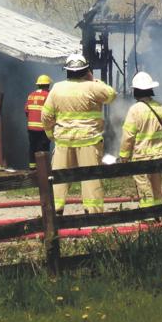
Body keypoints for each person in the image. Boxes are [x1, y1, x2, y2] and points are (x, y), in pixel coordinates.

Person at [41, 52, 116, 215]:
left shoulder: (57, 88)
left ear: (67, 70)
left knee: (59, 178)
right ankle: (93, 213)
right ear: (86, 70)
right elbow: (111, 95)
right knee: (91, 179)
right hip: (89, 141)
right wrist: (94, 79)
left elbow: (46, 116)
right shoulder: (93, 87)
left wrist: (50, 134)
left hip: (63, 141)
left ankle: (55, 212)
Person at [119, 72, 162, 208]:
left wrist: (124, 156)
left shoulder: (134, 110)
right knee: (156, 189)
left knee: (144, 189)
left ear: (135, 91)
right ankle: (160, 215)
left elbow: (128, 136)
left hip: (141, 156)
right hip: (158, 156)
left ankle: (148, 217)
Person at [25, 75, 52, 169]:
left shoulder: (31, 95)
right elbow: (51, 112)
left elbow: (26, 111)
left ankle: (32, 168)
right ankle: (43, 169)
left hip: (31, 128)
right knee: (43, 149)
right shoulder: (48, 95)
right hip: (43, 128)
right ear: (47, 85)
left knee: (32, 147)